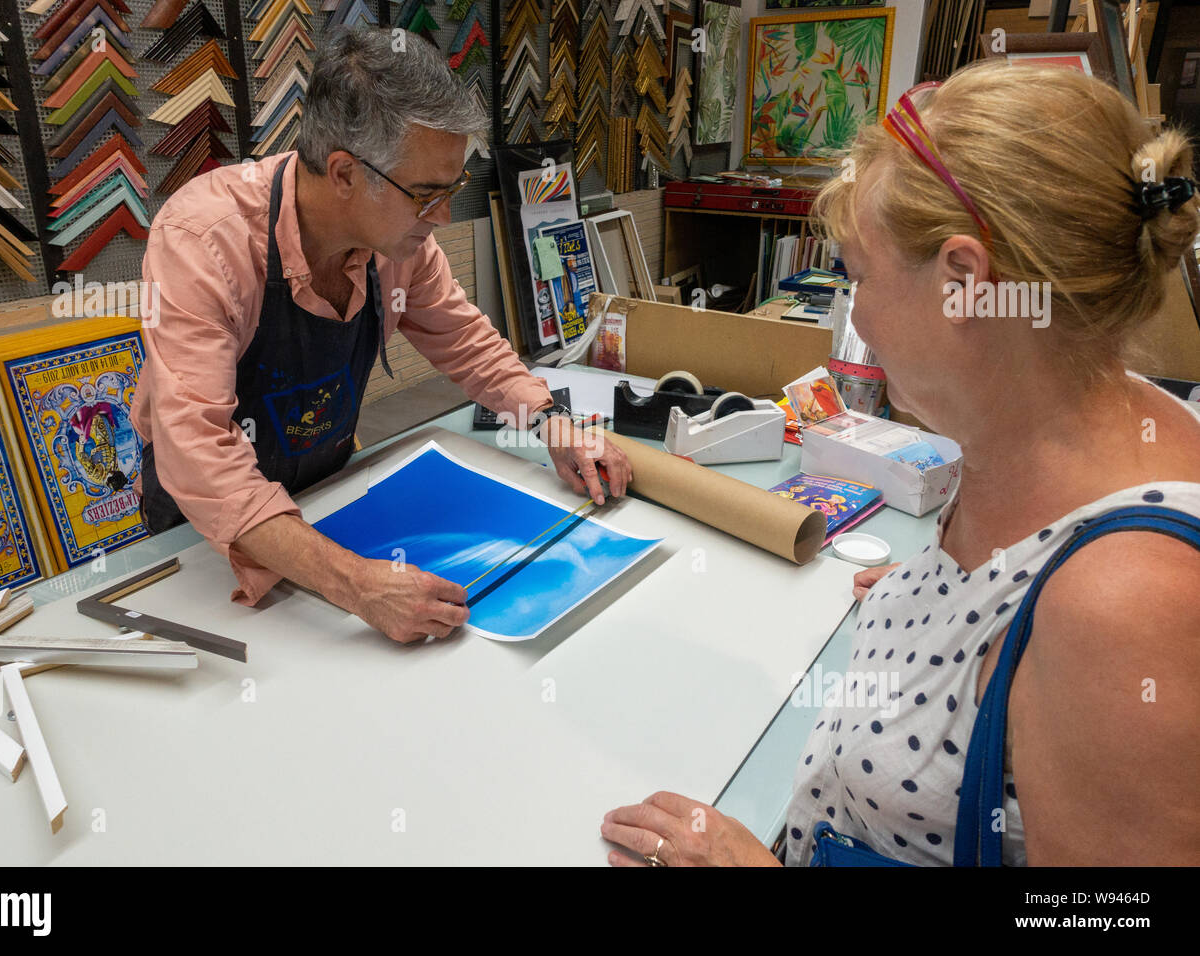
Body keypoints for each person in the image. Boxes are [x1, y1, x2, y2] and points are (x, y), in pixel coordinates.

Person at [601, 60, 1200, 866]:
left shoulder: (1126, 610)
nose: (857, 317)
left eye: (859, 277)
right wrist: (941, 606)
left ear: (964, 283)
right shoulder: (1053, 415)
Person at [130, 27, 632, 645]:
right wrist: (356, 584)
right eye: (426, 195)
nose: (444, 216)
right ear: (343, 172)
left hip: (325, 497)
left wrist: (553, 421)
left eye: (451, 191)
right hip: (206, 539)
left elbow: (464, 338)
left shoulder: (397, 242)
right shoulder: (203, 240)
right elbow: (198, 454)